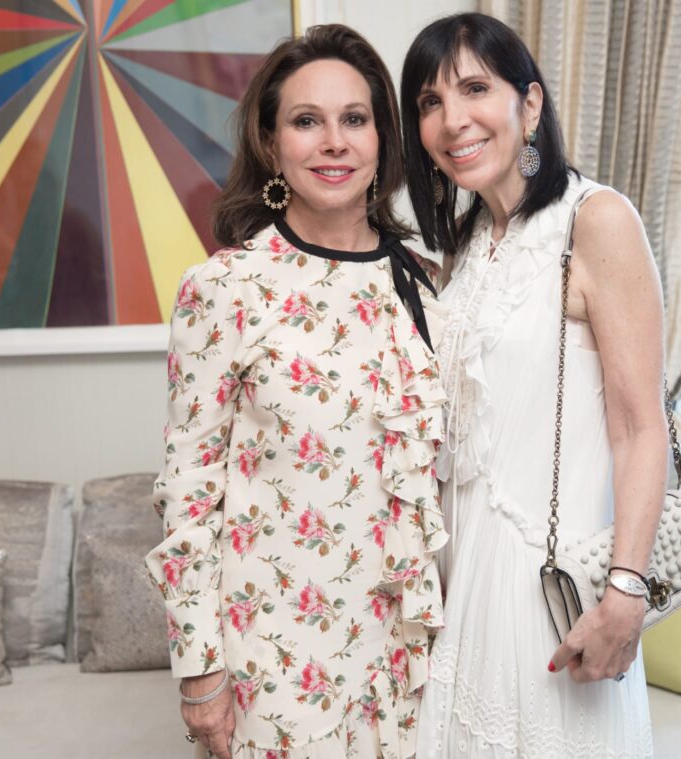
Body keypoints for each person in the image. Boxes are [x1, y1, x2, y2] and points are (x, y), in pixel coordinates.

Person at [145, 24, 447, 759]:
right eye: (307, 121)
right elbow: (188, 498)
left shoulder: (426, 283)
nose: (334, 141)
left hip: (408, 663)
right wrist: (200, 673)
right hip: (275, 667)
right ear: (273, 144)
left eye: (354, 119)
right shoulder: (224, 289)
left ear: (382, 139)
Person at [400, 13, 666, 758]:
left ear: (531, 103)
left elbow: (641, 427)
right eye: (428, 102)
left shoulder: (596, 219)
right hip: (465, 592)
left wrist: (625, 592)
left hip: (552, 594)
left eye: (475, 89)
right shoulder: (465, 248)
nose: (453, 120)